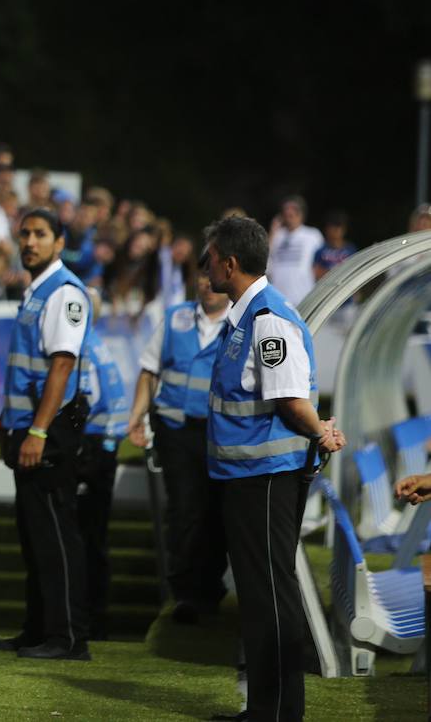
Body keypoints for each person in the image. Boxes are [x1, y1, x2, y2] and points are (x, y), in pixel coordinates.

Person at [201, 215, 344, 721]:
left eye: (210, 258)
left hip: (266, 478)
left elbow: (288, 399)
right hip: (248, 478)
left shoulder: (267, 319)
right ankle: (265, 707)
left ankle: (280, 711)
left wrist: (320, 430)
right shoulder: (250, 316)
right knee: (260, 597)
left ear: (230, 263)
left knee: (271, 595)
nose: (206, 267)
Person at [0, 207, 92, 661]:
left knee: (55, 533)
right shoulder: (36, 291)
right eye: (25, 234)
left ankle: (67, 637)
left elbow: (62, 364)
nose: (29, 241)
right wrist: (9, 424)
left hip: (49, 432)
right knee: (35, 534)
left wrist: (36, 430)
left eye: (40, 234)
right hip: (29, 429)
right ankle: (37, 629)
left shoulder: (64, 292)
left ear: (59, 241)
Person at [126, 272, 231, 623]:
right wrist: (137, 416)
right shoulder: (175, 318)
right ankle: (185, 592)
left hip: (221, 433)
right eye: (203, 275)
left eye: (213, 273)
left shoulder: (243, 322)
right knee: (184, 508)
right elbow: (149, 370)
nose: (207, 282)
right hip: (175, 430)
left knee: (215, 511)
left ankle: (209, 587)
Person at [76, 298, 129, 640]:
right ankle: (96, 616)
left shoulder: (82, 348)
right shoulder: (99, 344)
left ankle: (86, 617)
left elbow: (85, 399)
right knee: (95, 539)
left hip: (90, 448)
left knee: (83, 538)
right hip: (104, 447)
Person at [266, 195, 324, 304]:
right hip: (278, 299)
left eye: (292, 212)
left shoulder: (312, 235)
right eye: (286, 212)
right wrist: (273, 231)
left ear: (301, 214)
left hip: (304, 297)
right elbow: (266, 260)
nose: (288, 215)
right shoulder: (277, 235)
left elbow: (321, 264)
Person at [312, 210, 356, 281]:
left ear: (344, 229)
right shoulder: (320, 250)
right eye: (333, 226)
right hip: (326, 288)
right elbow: (316, 274)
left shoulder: (351, 249)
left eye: (339, 226)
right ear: (327, 228)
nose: (336, 229)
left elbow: (355, 272)